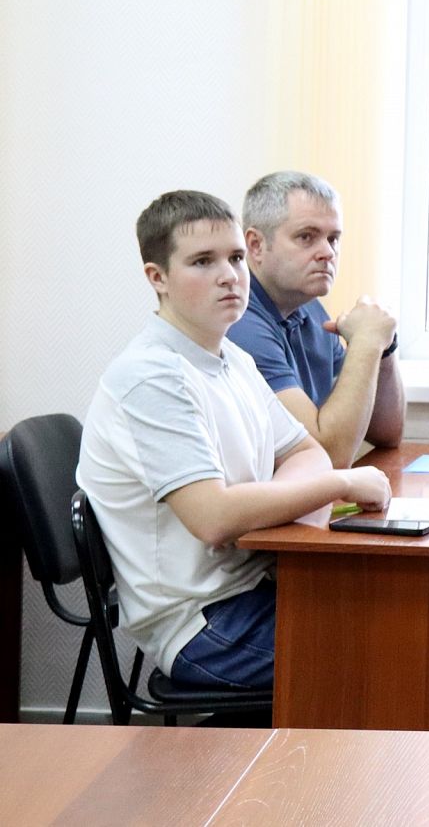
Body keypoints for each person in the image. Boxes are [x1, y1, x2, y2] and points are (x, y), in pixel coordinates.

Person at [76, 191, 392, 690]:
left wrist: (273, 501)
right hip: (201, 624)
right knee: (396, 657)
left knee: (405, 621)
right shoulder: (151, 377)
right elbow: (214, 518)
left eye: (237, 258)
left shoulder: (231, 359)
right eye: (203, 261)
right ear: (157, 277)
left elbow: (307, 452)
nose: (229, 275)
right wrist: (341, 484)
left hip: (254, 586)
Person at [228, 170, 405, 470]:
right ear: (255, 245)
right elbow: (327, 457)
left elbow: (386, 433)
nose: (327, 252)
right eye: (306, 237)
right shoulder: (239, 323)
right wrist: (366, 341)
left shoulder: (309, 307)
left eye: (333, 239)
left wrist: (383, 346)